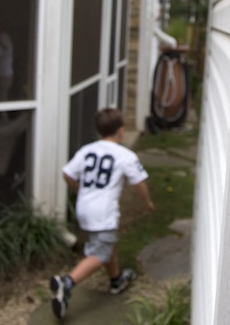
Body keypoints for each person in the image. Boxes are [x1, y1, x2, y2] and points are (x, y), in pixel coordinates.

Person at [50, 107, 154, 319]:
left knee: (106, 242)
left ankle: (116, 279)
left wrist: (78, 189)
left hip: (84, 208)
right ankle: (67, 283)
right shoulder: (124, 155)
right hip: (103, 212)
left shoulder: (88, 150)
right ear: (121, 130)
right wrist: (147, 202)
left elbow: (67, 173)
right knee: (100, 252)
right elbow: (140, 182)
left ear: (99, 130)